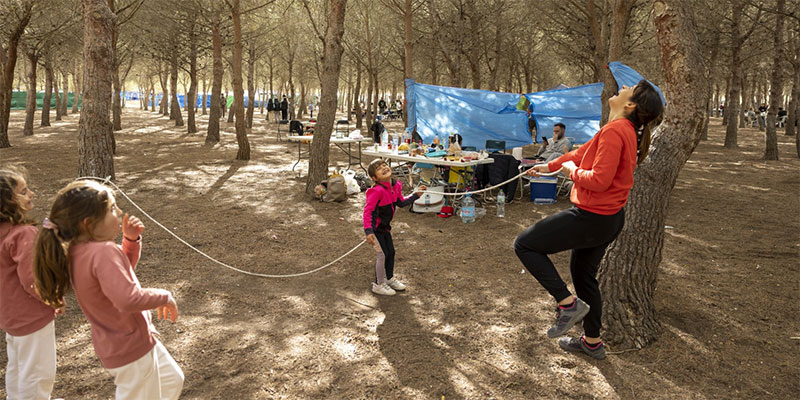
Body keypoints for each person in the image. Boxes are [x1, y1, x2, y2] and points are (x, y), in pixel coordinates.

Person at [514, 80, 663, 360]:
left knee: (524, 244)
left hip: (592, 218)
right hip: (608, 220)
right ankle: (592, 342)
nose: (622, 88)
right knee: (584, 277)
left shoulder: (617, 130)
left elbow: (598, 180)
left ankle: (567, 305)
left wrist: (569, 172)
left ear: (630, 105)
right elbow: (580, 154)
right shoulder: (621, 129)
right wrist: (549, 166)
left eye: (628, 90)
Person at [33, 180, 183, 399]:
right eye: (112, 208)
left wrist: (130, 241)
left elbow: (118, 277)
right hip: (130, 346)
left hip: (125, 343)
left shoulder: (80, 249)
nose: (120, 212)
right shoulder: (102, 252)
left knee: (171, 380)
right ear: (88, 224)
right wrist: (165, 296)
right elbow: (127, 298)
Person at [0, 167, 60, 399]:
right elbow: (32, 278)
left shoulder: (9, 233)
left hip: (11, 318)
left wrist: (45, 235)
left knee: (17, 368)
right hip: (32, 317)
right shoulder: (23, 234)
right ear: (7, 203)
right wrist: (52, 298)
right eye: (23, 192)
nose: (31, 194)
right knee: (37, 374)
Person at [363, 159, 426, 295]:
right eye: (379, 168)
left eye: (384, 165)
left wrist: (416, 195)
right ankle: (379, 284)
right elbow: (368, 211)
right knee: (382, 255)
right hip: (376, 230)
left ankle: (389, 278)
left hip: (385, 228)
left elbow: (401, 202)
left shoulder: (395, 185)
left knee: (391, 252)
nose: (384, 168)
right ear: (375, 178)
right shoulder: (376, 191)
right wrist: (368, 231)